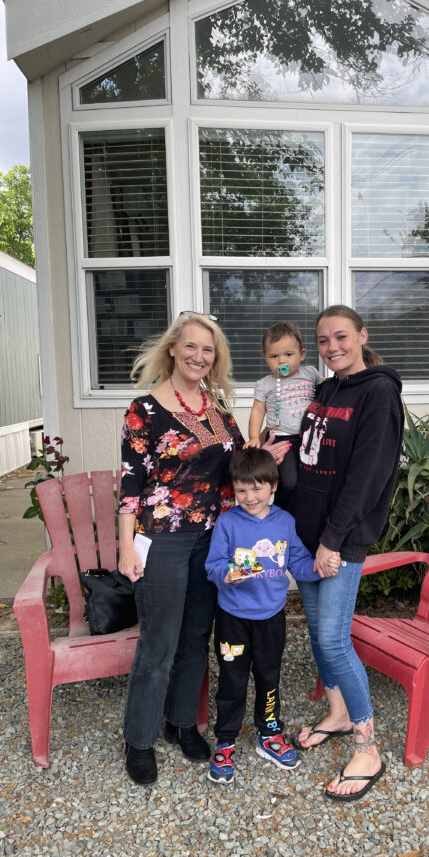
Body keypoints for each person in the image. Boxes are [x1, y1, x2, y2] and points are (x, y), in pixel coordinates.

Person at [117, 312, 286, 786]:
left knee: (195, 636)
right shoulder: (144, 410)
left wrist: (263, 452)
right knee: (159, 641)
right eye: (190, 346)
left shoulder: (216, 405)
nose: (198, 356)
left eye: (207, 350)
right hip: (163, 538)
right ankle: (140, 739)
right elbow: (130, 485)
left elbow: (236, 465)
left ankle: (181, 724)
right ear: (172, 348)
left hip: (212, 537)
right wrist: (126, 546)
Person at [290, 305, 405, 803]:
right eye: (323, 340)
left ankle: (368, 748)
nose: (332, 347)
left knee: (335, 642)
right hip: (307, 533)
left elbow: (367, 476)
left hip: (340, 537)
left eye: (341, 336)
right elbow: (315, 454)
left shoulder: (378, 393)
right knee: (318, 634)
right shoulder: (326, 388)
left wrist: (333, 540)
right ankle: (337, 714)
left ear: (362, 334)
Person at [204, 447, 339, 784]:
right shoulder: (227, 522)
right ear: (233, 490)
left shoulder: (285, 522)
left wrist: (320, 569)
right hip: (232, 618)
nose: (250, 497)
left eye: (257, 488)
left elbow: (297, 562)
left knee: (269, 677)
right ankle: (225, 740)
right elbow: (213, 566)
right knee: (232, 680)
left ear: (274, 485)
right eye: (241, 490)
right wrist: (229, 574)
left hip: (271, 619)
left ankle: (269, 733)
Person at [246, 322, 321, 511]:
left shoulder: (311, 373)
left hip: (311, 438)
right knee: (289, 482)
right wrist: (254, 437)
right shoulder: (265, 384)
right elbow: (257, 410)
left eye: (288, 354)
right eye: (274, 356)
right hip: (283, 439)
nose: (281, 361)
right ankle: (280, 511)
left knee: (311, 482)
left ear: (302, 354)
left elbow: (325, 392)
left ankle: (302, 514)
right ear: (265, 358)